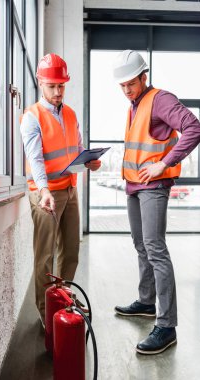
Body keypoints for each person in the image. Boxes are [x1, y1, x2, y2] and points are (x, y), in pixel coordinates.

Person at [113, 50, 200, 354]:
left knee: (155, 249)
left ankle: (167, 326)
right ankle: (147, 302)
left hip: (153, 186)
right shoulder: (134, 105)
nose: (126, 90)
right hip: (134, 186)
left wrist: (165, 163)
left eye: (131, 83)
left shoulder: (160, 99)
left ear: (143, 76)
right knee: (141, 245)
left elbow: (194, 127)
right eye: (122, 85)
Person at [20, 53, 101, 327]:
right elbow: (36, 160)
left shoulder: (70, 114)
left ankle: (63, 298)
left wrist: (88, 160)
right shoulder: (32, 117)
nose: (57, 92)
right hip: (44, 195)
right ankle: (46, 312)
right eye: (52, 86)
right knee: (45, 256)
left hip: (69, 189)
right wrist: (44, 191)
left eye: (61, 86)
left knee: (70, 251)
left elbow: (75, 150)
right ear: (41, 82)